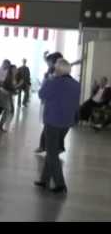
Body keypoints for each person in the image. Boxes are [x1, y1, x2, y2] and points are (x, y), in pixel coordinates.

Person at [34, 59, 80, 194]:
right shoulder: (76, 84)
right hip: (66, 122)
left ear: (58, 70)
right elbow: (76, 104)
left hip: (53, 121)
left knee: (52, 153)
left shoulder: (53, 82)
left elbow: (41, 94)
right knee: (52, 150)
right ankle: (44, 179)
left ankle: (60, 184)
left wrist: (48, 79)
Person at [35, 52, 63, 153]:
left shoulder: (57, 73)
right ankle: (49, 147)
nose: (48, 63)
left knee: (50, 125)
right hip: (48, 101)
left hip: (52, 102)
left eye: (50, 61)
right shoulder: (52, 70)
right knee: (49, 125)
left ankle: (47, 147)